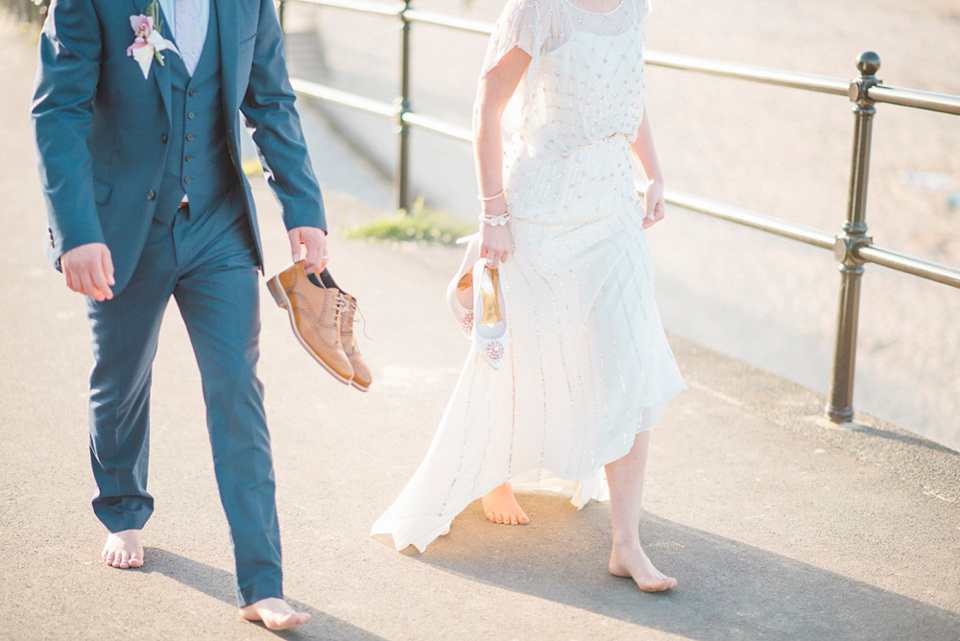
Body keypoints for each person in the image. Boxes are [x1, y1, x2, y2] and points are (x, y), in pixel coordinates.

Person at [371, 0, 686, 592]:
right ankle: (495, 470)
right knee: (517, 352)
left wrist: (655, 173)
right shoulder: (537, 8)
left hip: (613, 206)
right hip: (541, 206)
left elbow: (629, 95)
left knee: (629, 359)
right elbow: (488, 108)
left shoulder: (636, 6)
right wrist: (494, 214)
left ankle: (627, 543)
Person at [32, 0, 327, 629]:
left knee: (237, 391)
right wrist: (77, 232)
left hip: (218, 227)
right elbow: (58, 112)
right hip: (121, 228)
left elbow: (270, 100)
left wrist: (302, 206)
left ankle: (261, 582)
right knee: (120, 378)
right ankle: (123, 508)